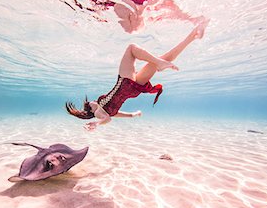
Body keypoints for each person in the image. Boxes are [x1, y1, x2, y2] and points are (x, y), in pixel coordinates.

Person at [66, 19, 209, 131]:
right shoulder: (98, 112)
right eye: (90, 103)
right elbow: (106, 120)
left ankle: (193, 35)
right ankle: (160, 62)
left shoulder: (110, 112)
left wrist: (134, 114)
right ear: (91, 108)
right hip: (125, 83)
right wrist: (97, 124)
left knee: (165, 58)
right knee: (131, 48)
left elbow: (119, 115)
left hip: (134, 90)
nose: (92, 101)